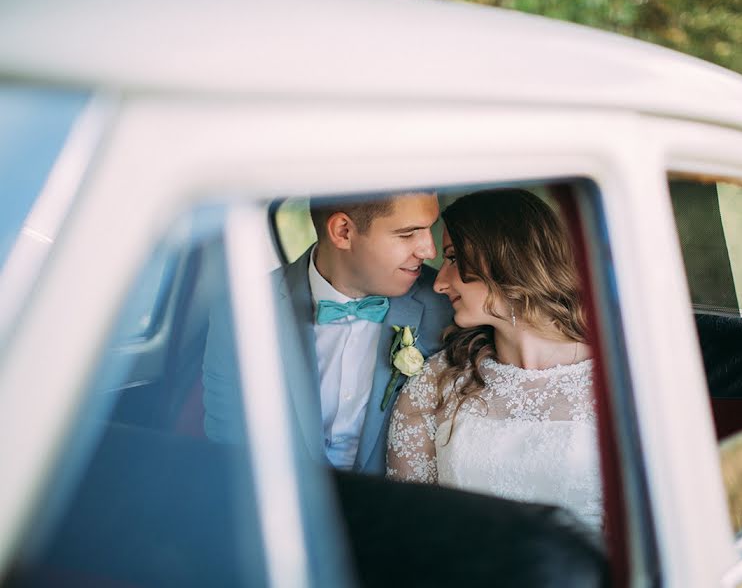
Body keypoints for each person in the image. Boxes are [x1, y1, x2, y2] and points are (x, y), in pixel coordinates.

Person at [386, 189, 602, 530]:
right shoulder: (435, 383)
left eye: (454, 258)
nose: (440, 283)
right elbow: (411, 527)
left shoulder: (619, 381)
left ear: (506, 256)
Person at [203, 192, 454, 475]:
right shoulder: (244, 311)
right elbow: (227, 440)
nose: (429, 251)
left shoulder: (449, 306)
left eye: (429, 229)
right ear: (343, 232)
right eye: (408, 234)